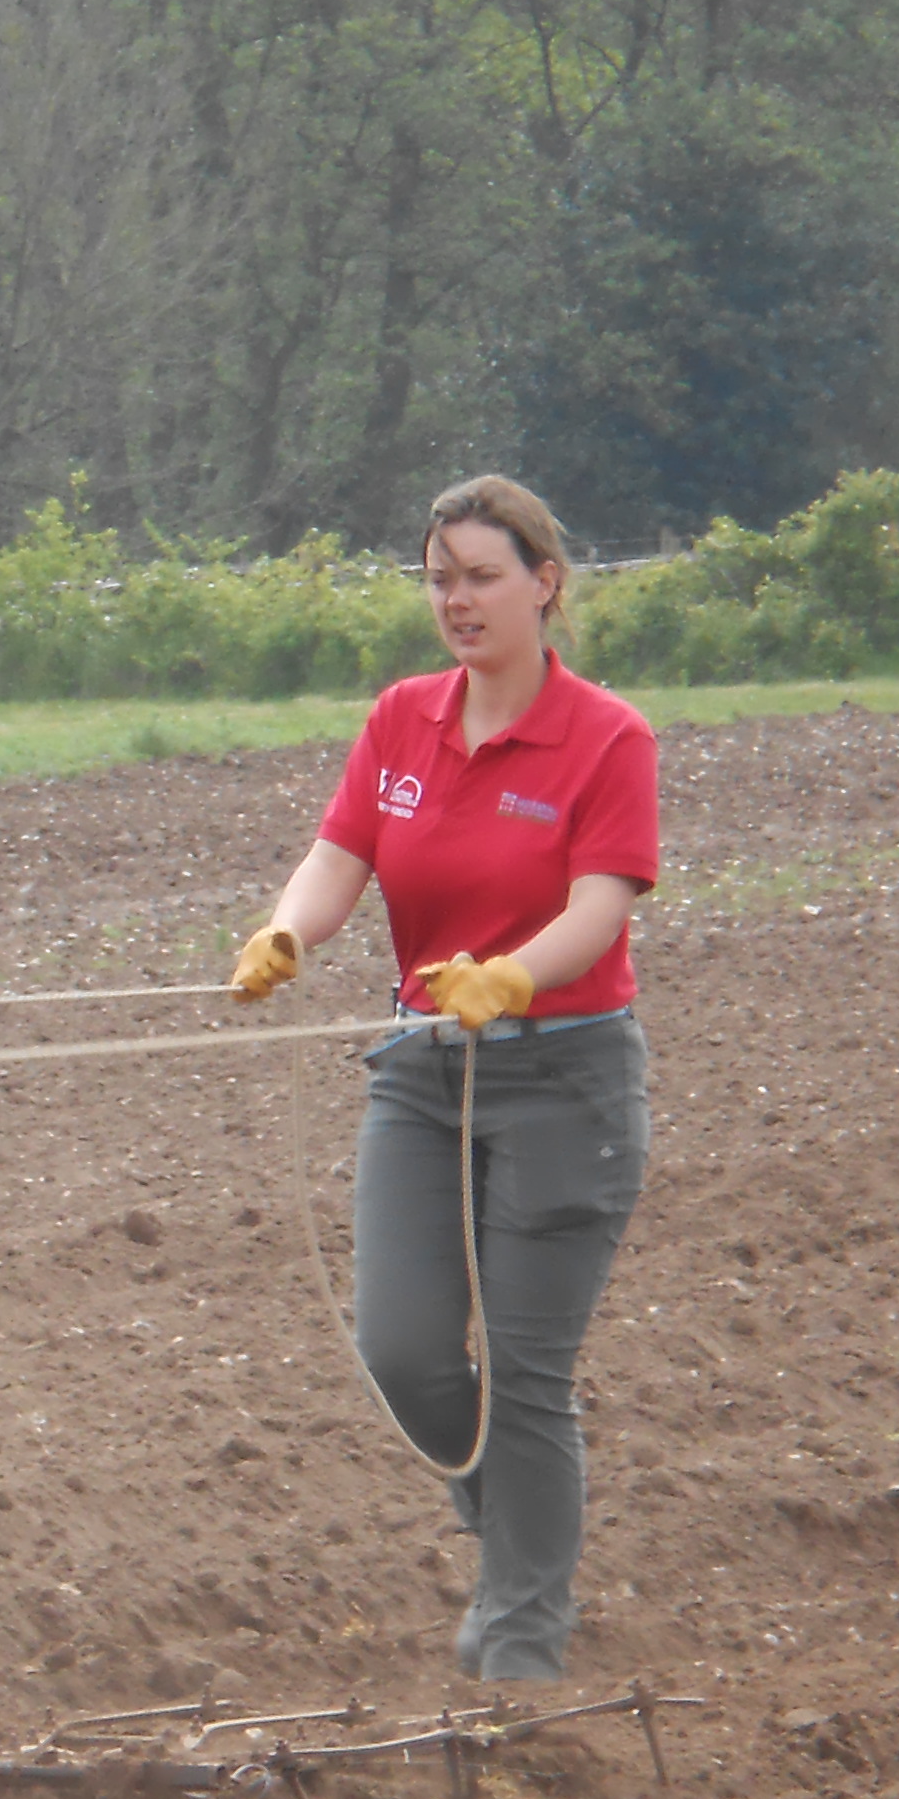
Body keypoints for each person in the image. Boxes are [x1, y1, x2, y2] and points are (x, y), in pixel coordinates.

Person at [228, 475, 658, 1692]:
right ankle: (510, 1518)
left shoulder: (607, 738)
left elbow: (600, 907)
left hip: (564, 1083)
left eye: (480, 575)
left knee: (525, 1377)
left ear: (544, 583)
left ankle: (521, 1651)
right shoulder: (402, 720)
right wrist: (288, 936)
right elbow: (340, 856)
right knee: (403, 1349)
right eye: (439, 578)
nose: (456, 600)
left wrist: (512, 977)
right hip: (424, 1073)